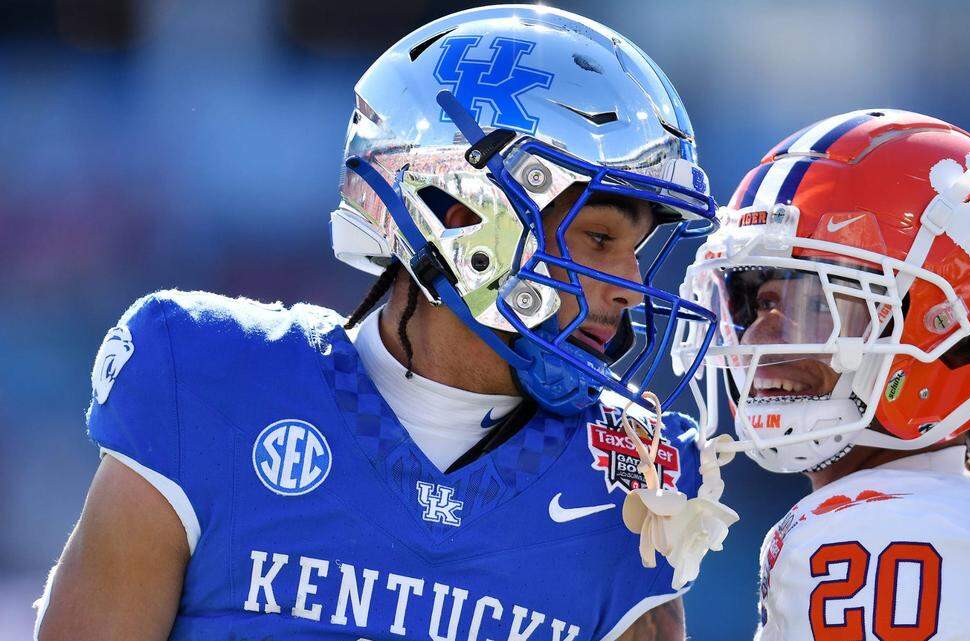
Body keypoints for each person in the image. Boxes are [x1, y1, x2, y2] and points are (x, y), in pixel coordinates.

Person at [34, 6, 724, 640]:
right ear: (459, 215)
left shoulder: (629, 481)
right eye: (600, 240)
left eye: (636, 253)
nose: (631, 288)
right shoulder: (210, 381)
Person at [673, 109, 970, 640]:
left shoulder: (869, 534)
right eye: (749, 301)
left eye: (815, 301)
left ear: (961, 335)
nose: (758, 337)